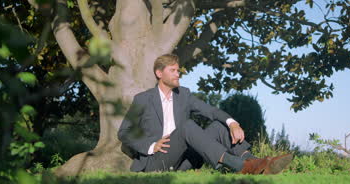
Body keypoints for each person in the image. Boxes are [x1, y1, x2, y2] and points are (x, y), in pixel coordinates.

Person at [118, 54, 293, 174]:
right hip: (158, 161)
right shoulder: (143, 99)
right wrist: (151, 146)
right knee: (187, 126)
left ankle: (258, 163)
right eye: (173, 70)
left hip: (185, 161)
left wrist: (232, 123)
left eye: (178, 70)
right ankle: (241, 166)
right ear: (159, 73)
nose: (178, 74)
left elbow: (211, 111)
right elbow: (124, 132)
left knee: (218, 125)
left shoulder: (183, 94)